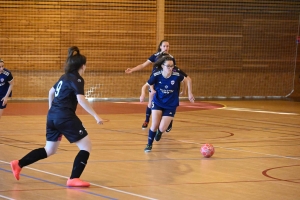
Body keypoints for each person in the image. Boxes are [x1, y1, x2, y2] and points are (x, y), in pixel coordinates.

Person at [10, 46, 104, 187]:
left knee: (49, 150)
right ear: (82, 66)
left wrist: (51, 109)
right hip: (65, 117)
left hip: (52, 116)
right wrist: (96, 116)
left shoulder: (64, 77)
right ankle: (73, 178)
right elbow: (81, 99)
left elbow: (50, 92)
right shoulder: (77, 79)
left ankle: (19, 163)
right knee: (86, 146)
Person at [125, 40, 192, 131]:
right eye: (164, 46)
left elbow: (175, 73)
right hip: (155, 83)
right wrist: (132, 70)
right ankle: (147, 120)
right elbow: (143, 65)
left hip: (167, 85)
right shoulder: (155, 56)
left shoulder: (171, 59)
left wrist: (185, 90)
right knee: (151, 102)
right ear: (160, 47)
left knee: (169, 103)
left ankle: (168, 122)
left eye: (167, 46)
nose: (166, 48)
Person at [142, 55, 194, 152]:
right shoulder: (157, 75)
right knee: (154, 124)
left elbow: (187, 80)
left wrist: (188, 92)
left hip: (171, 104)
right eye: (168, 66)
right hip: (158, 102)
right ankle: (149, 144)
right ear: (162, 66)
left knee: (162, 128)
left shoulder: (176, 75)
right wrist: (143, 94)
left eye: (172, 66)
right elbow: (145, 86)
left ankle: (160, 132)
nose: (171, 68)